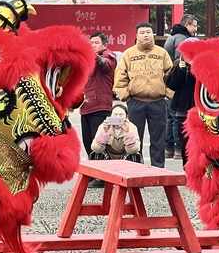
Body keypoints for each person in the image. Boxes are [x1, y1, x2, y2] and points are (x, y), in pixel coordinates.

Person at [114, 22, 173, 168]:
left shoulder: (162, 53)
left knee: (158, 139)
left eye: (148, 32)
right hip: (136, 102)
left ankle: (158, 170)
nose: (146, 35)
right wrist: (126, 97)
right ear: (137, 35)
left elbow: (170, 75)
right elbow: (121, 77)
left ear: (152, 34)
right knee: (134, 138)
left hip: (158, 102)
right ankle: (135, 169)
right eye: (142, 32)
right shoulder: (129, 53)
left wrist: (167, 94)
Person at [163, 14, 197, 160]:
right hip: (183, 108)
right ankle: (176, 150)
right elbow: (171, 84)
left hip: (199, 110)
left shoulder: (205, 65)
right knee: (184, 141)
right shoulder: (179, 63)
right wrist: (181, 68)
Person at [79, 32, 117, 159]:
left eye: (96, 43)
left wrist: (91, 53)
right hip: (85, 106)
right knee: (88, 144)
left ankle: (100, 177)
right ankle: (92, 176)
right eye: (91, 43)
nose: (92, 45)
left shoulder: (109, 56)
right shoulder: (86, 58)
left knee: (100, 144)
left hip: (100, 107)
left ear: (105, 44)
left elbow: (104, 65)